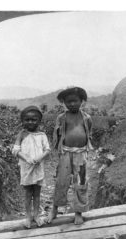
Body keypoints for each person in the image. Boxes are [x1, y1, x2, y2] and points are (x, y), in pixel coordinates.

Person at [48, 87, 93, 225]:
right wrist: (58, 153)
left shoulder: (86, 118)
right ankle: (54, 210)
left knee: (80, 183)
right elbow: (57, 136)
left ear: (82, 102)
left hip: (81, 155)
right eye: (68, 102)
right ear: (64, 103)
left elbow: (89, 133)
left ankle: (78, 212)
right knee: (61, 181)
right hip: (66, 154)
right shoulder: (62, 118)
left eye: (75, 101)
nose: (72, 104)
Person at [12, 106, 51, 229]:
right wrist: (26, 158)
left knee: (37, 193)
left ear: (39, 121)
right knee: (28, 193)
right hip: (26, 168)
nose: (30, 122)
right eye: (27, 119)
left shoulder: (42, 135)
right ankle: (28, 216)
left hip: (38, 167)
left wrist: (39, 158)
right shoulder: (22, 134)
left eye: (34, 119)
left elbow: (47, 150)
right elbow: (15, 150)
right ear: (23, 121)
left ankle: (36, 215)